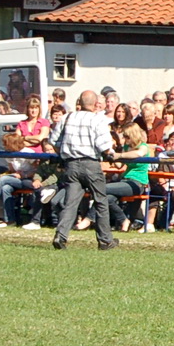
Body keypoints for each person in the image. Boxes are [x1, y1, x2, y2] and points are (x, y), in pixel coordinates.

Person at [50, 89, 118, 251]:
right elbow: (104, 146)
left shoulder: (67, 118)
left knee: (70, 203)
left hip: (71, 165)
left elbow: (53, 141)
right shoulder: (98, 120)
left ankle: (61, 235)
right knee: (101, 201)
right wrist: (112, 155)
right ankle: (105, 240)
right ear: (96, 105)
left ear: (79, 102)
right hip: (91, 165)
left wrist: (63, 153)